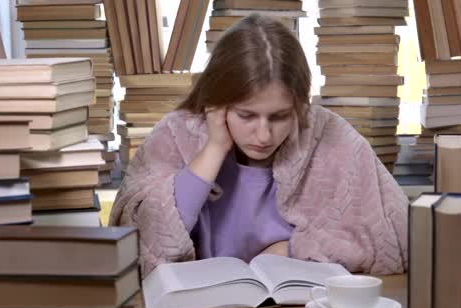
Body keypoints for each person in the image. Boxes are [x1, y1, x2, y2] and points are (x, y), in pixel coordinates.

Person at [110, 14, 408, 277]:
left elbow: (393, 236)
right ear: (218, 103)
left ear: (300, 105)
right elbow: (147, 238)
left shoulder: (330, 134)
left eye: (279, 116)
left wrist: (292, 250)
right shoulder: (175, 133)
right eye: (246, 115)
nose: (263, 135)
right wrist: (214, 148)